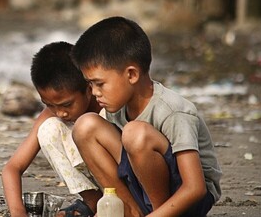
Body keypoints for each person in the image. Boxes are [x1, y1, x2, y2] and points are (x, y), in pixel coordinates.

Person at [70, 16, 222, 217]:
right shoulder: (116, 108)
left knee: (135, 133)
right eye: (90, 85)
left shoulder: (173, 111)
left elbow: (195, 188)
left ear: (131, 74)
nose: (95, 92)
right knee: (85, 126)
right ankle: (129, 211)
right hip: (144, 191)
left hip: (187, 201)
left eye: (100, 84)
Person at [2, 41, 103, 217]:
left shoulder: (106, 105)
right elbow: (12, 168)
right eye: (49, 104)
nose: (60, 113)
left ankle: (112, 204)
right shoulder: (52, 114)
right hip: (99, 188)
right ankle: (93, 202)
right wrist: (18, 212)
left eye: (67, 104)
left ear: (88, 89)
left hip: (125, 186)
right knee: (48, 129)